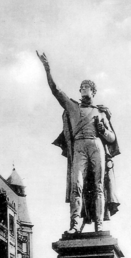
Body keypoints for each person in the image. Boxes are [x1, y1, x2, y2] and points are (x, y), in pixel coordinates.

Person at [37, 51, 120, 233]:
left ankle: (99, 224)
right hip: (79, 147)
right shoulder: (72, 107)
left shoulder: (100, 112)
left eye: (86, 87)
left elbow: (112, 138)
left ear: (93, 91)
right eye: (81, 88)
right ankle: (74, 225)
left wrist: (103, 130)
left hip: (96, 145)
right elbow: (55, 90)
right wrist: (47, 68)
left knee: (98, 186)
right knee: (77, 185)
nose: (82, 90)